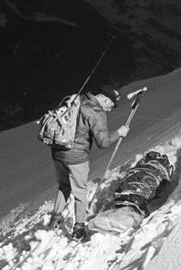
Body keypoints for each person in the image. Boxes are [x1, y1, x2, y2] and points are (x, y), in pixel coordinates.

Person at [49, 84, 129, 240]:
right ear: (105, 99)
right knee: (80, 192)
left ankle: (55, 219)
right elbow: (103, 142)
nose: (110, 109)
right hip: (76, 157)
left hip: (57, 151)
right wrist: (119, 133)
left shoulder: (77, 99)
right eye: (111, 105)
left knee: (64, 185)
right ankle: (79, 228)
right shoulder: (96, 112)